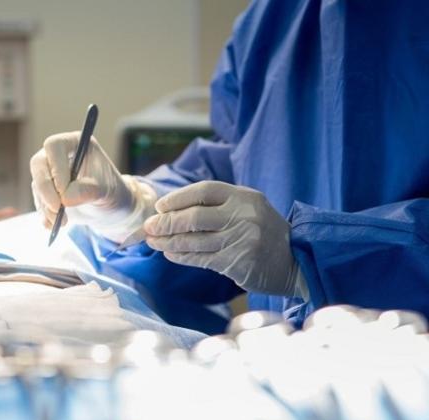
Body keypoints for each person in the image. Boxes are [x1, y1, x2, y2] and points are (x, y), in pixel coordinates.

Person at [31, 0, 429, 332]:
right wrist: (134, 206)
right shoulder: (272, 21)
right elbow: (244, 167)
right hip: (291, 373)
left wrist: (313, 260)